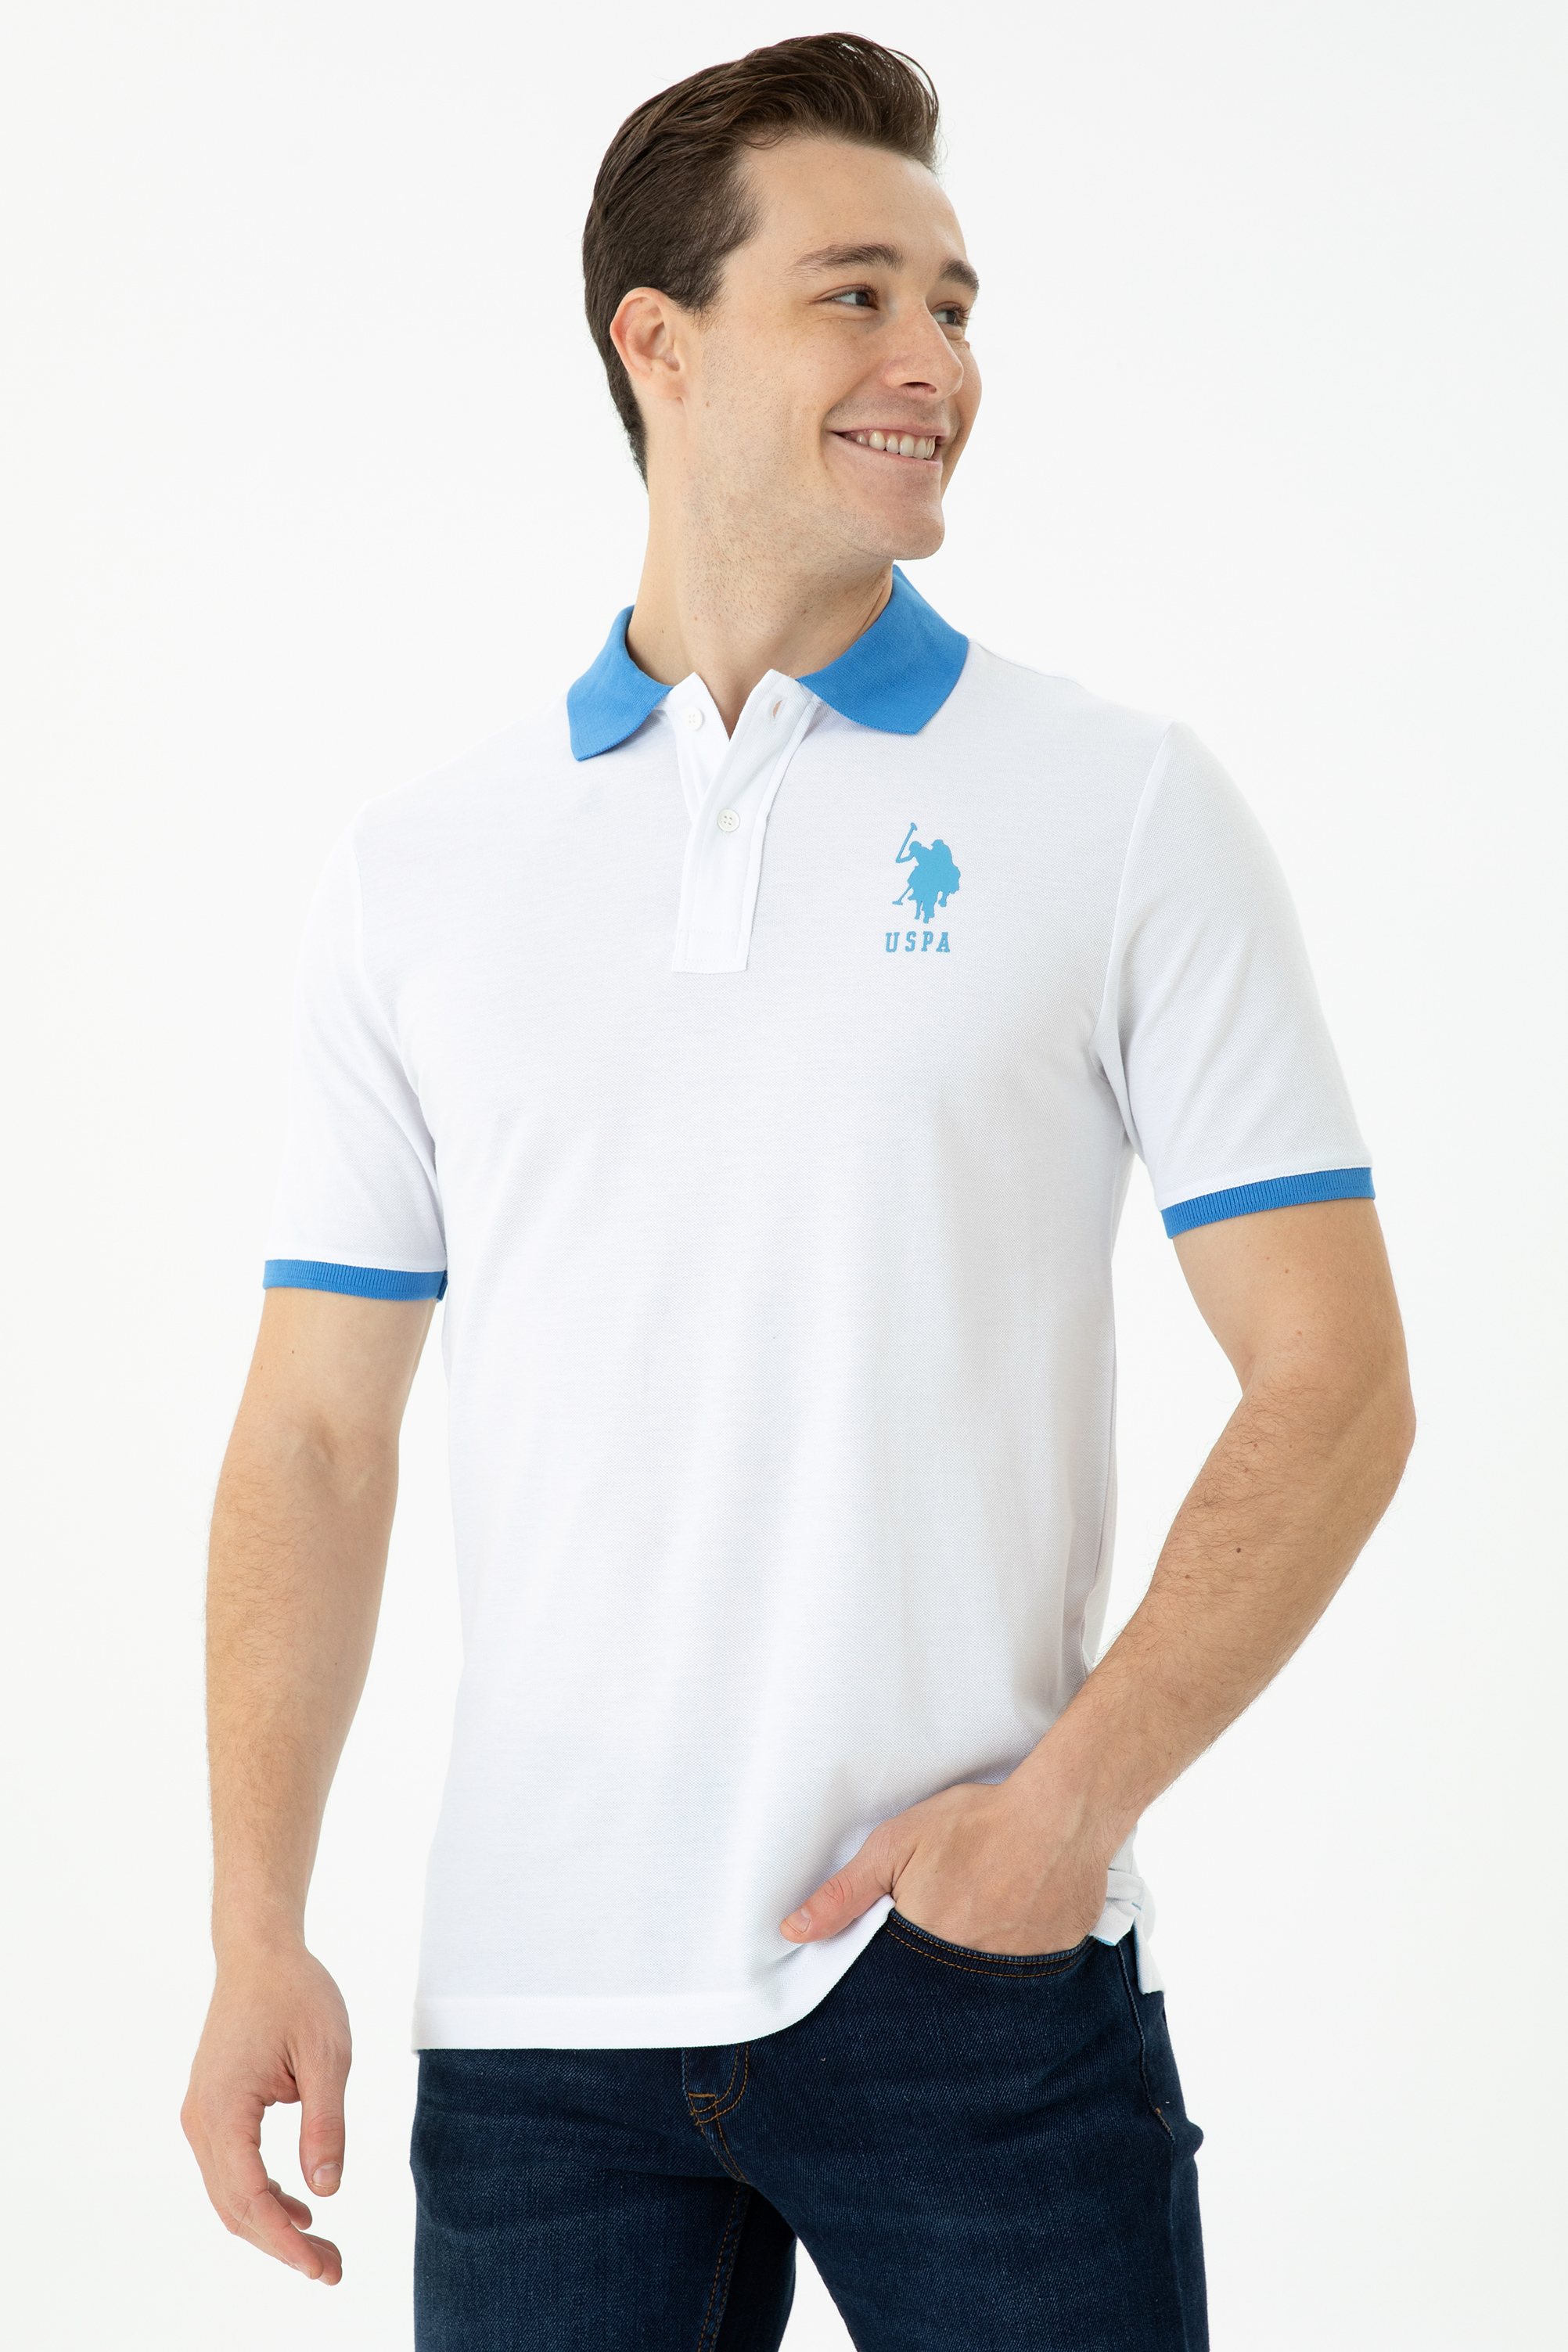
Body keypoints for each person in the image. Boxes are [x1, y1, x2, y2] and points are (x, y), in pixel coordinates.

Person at [181, 32, 1414, 2349]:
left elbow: (1334, 1380)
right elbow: (317, 1436)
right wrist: (260, 1925)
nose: (932, 359)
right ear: (657, 343)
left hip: (970, 1987)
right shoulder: (421, 871)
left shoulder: (1119, 807)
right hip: (537, 2022)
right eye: (856, 295)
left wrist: (1062, 1818)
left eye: (953, 304)